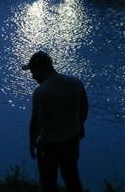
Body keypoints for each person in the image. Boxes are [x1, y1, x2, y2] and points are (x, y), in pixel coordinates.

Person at [23, 51, 88, 192]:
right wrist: (80, 125)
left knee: (48, 181)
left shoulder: (41, 92)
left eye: (33, 71)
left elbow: (36, 122)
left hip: (49, 144)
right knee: (72, 177)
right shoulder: (75, 82)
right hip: (72, 141)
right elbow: (84, 108)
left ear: (41, 69)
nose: (33, 76)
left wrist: (32, 142)